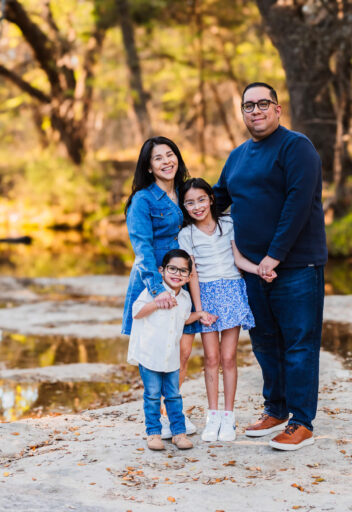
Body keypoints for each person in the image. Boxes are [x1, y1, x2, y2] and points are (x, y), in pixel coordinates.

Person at [213, 82, 327, 451]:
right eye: (249, 105)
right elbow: (215, 200)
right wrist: (175, 200)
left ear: (277, 109)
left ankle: (301, 421)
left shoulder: (297, 147)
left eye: (263, 103)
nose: (256, 110)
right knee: (264, 343)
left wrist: (272, 257)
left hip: (295, 266)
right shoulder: (238, 157)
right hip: (251, 270)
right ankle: (275, 409)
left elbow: (298, 203)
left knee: (298, 344)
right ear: (242, 112)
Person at [177, 178, 270, 442]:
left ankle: (228, 417)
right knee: (211, 358)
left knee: (229, 358)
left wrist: (259, 269)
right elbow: (192, 274)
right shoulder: (187, 234)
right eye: (190, 202)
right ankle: (213, 416)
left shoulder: (228, 224)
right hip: (206, 295)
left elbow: (238, 259)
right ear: (184, 206)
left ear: (211, 199)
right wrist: (199, 309)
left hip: (231, 291)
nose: (197, 207)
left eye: (201, 200)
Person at [121, 136, 203, 438]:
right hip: (154, 282)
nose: (167, 161)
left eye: (171, 155)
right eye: (158, 158)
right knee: (157, 353)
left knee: (181, 353)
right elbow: (142, 250)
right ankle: (159, 419)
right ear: (149, 166)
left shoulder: (185, 193)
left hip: (184, 279)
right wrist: (158, 292)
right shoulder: (143, 200)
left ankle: (172, 413)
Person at [127, 249, 204, 451]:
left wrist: (200, 314)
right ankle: (154, 433)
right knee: (152, 395)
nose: (177, 274)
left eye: (183, 271)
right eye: (172, 269)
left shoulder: (186, 298)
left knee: (173, 396)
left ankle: (178, 433)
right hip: (150, 355)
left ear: (189, 276)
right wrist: (156, 302)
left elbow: (183, 319)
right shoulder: (152, 292)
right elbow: (136, 313)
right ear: (161, 270)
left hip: (171, 358)